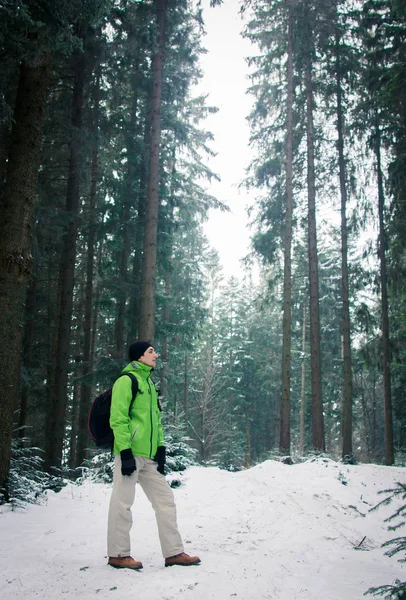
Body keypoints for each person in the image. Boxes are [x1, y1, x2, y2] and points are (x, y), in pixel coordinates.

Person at [107, 340, 201, 570]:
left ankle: (174, 553)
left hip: (148, 457)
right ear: (139, 357)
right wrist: (125, 452)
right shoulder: (125, 381)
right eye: (151, 352)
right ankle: (118, 554)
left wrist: (160, 449)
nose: (156, 355)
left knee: (165, 500)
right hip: (129, 453)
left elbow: (156, 421)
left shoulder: (148, 384)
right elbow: (118, 419)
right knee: (123, 503)